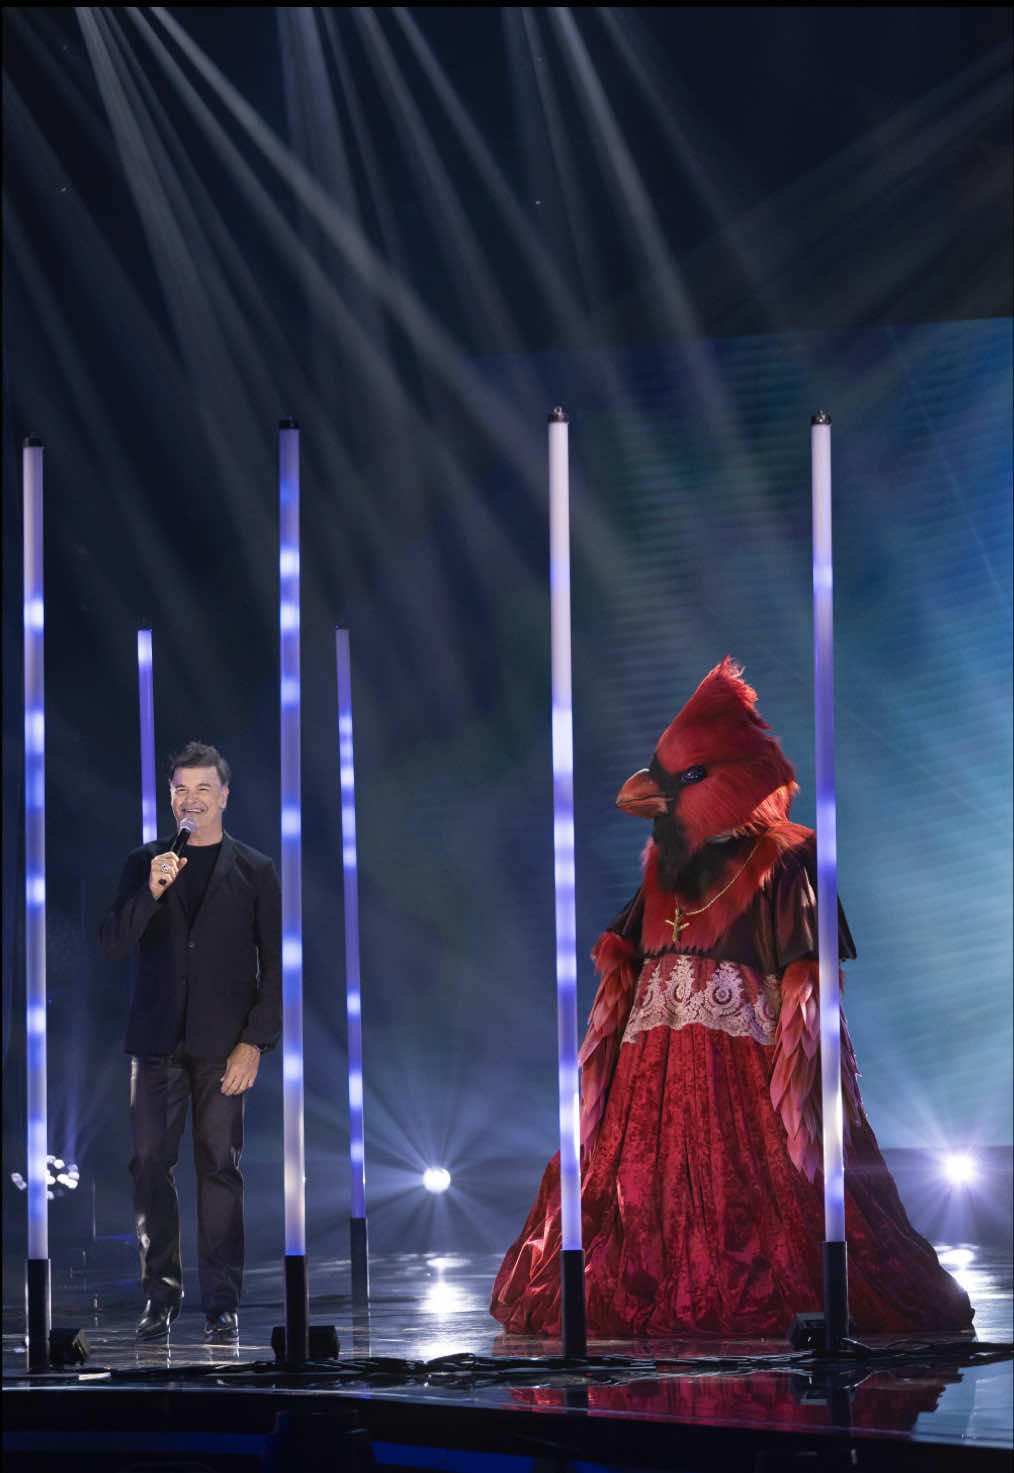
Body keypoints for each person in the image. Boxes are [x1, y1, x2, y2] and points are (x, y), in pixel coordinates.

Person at [491, 658, 973, 1336]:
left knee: (771, 1199)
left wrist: (809, 1073)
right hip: (652, 1073)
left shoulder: (787, 856)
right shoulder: (667, 863)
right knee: (639, 1201)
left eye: (685, 778)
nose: (656, 793)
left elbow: (808, 980)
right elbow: (626, 956)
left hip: (746, 1068)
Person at [100, 742, 281, 1343]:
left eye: (204, 788)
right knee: (150, 1164)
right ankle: (161, 1296)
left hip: (223, 1046)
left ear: (224, 795)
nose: (191, 800)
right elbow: (112, 943)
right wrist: (150, 892)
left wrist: (254, 1043)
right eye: (181, 789)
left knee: (219, 1168)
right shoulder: (144, 863)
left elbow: (277, 966)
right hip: (156, 1043)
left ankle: (221, 1304)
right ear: (170, 796)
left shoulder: (255, 869)